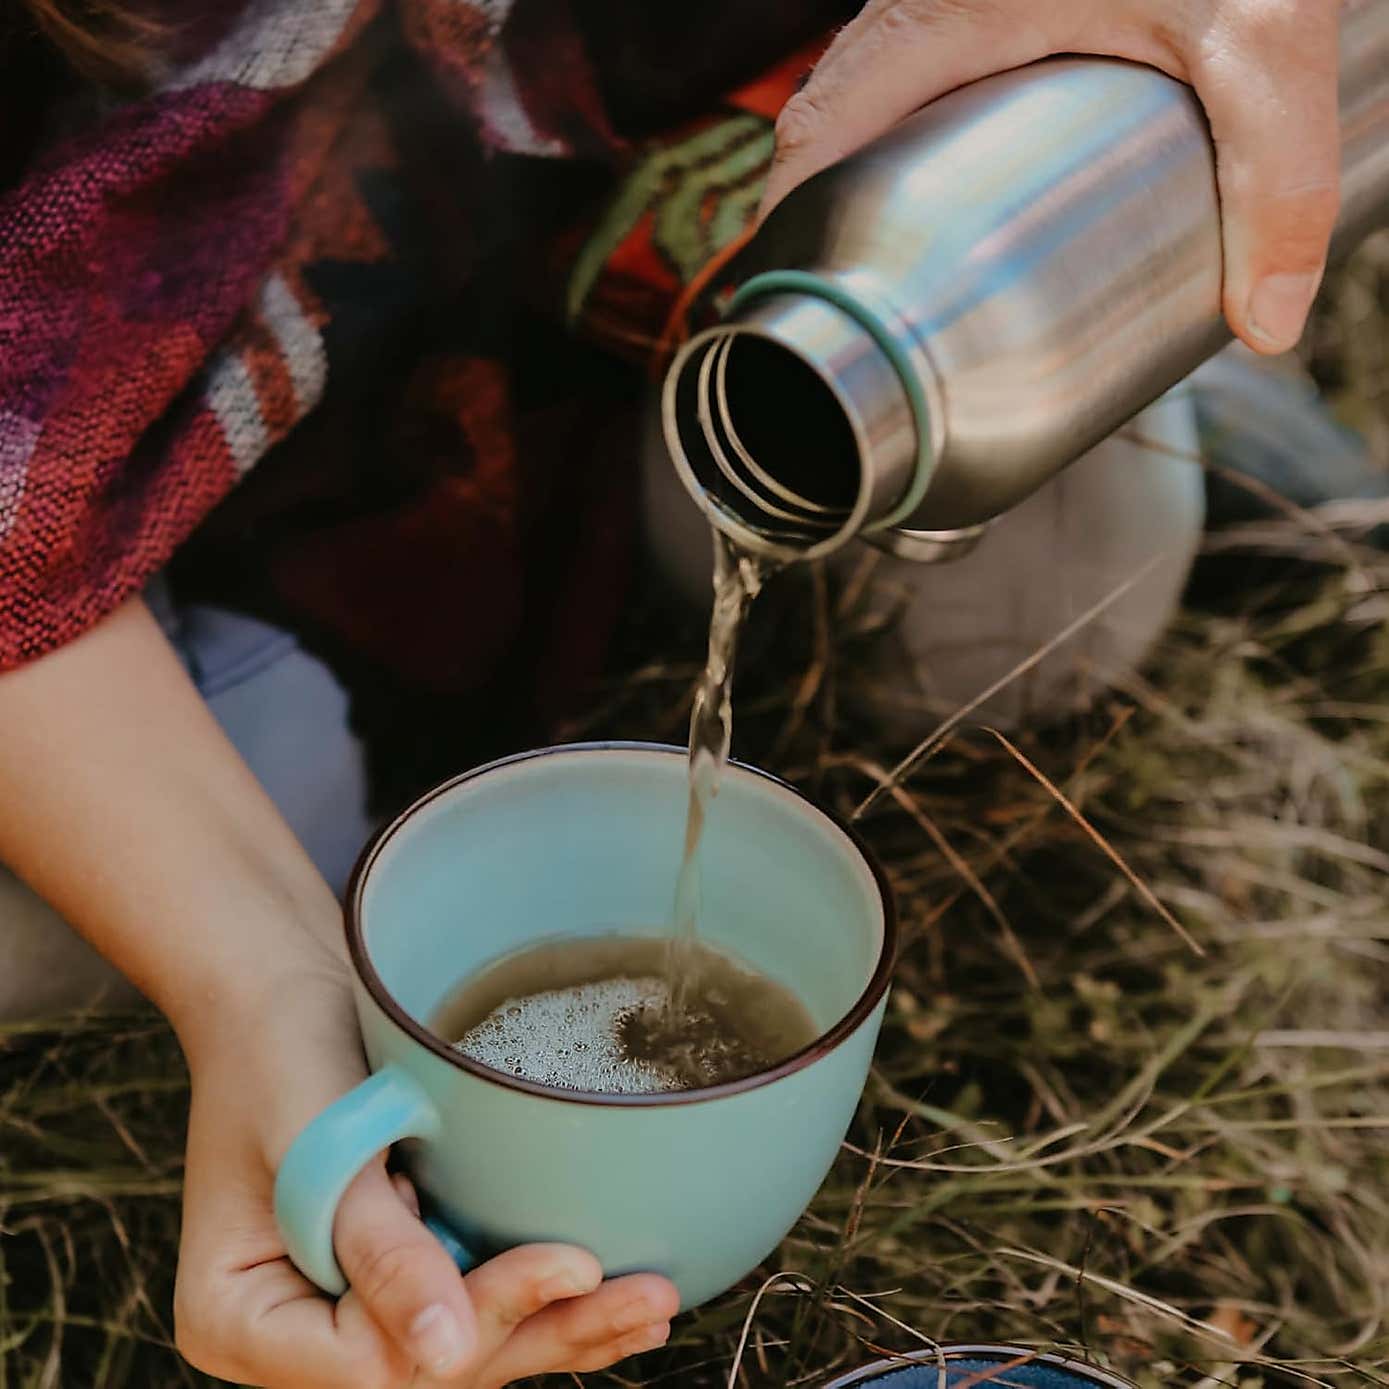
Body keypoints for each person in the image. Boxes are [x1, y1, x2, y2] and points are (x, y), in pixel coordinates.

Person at [0, 1, 1342, 1385]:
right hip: (105, 455)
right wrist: (256, 980)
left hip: (658, 212)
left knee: (1046, 595)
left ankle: (1127, 278)